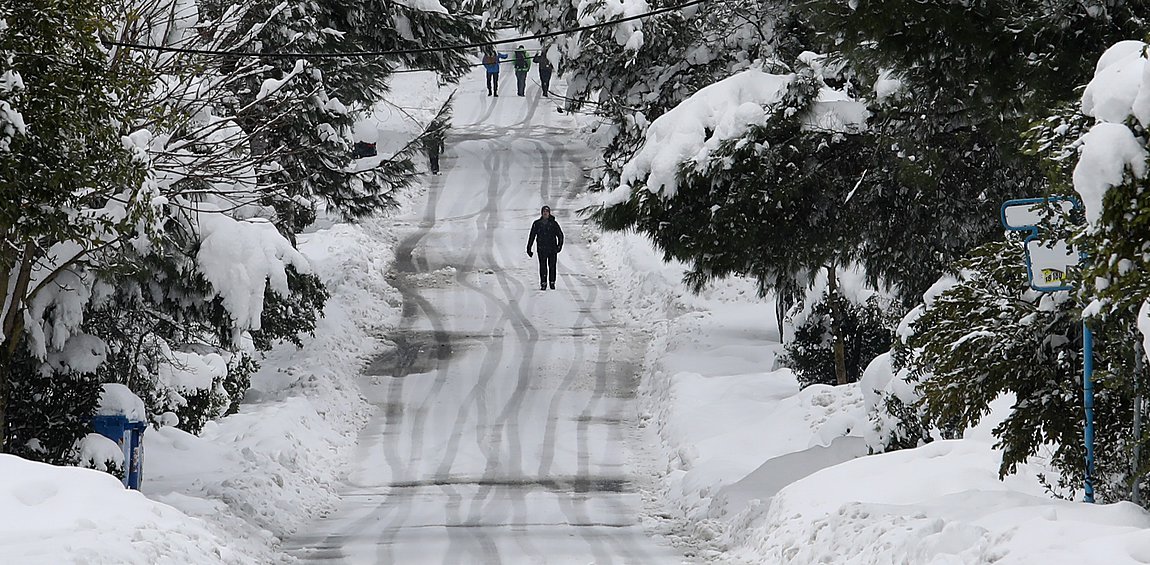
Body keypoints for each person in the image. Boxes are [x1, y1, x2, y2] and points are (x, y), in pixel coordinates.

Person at [526, 205, 563, 290]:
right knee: (543, 266)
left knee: (552, 266)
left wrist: (559, 245)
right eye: (544, 212)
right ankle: (543, 282)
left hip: (552, 248)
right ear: (542, 213)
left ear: (549, 213)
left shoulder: (553, 224)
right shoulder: (537, 224)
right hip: (541, 248)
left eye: (547, 212)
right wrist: (529, 248)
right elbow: (532, 236)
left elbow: (560, 235)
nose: (545, 213)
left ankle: (552, 282)